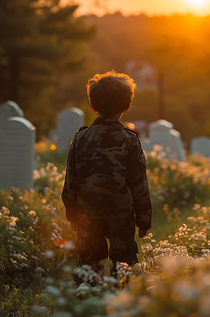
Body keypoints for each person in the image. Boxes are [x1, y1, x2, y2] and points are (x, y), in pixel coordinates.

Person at [62, 71, 152, 276]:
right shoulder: (129, 140)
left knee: (89, 263)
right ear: (126, 106)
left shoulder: (81, 138)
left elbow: (71, 178)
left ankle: (88, 300)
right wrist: (144, 218)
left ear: (93, 106)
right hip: (121, 212)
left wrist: (72, 212)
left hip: (87, 212)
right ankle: (121, 301)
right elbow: (139, 183)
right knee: (124, 263)